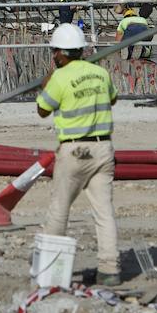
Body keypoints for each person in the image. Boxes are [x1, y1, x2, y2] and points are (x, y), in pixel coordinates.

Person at [36, 23, 120, 287]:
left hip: (74, 151)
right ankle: (110, 269)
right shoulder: (100, 73)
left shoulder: (59, 77)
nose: (54, 57)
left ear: (62, 53)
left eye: (55, 53)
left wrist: (46, 84)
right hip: (103, 151)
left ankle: (50, 273)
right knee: (104, 212)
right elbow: (113, 99)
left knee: (60, 209)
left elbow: (42, 110)